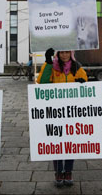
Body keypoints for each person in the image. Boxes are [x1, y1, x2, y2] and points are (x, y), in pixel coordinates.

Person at [37, 48, 88, 187]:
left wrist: (82, 83)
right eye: (61, 52)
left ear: (71, 54)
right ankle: (59, 172)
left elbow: (85, 83)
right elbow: (42, 83)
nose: (64, 55)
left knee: (70, 143)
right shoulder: (53, 67)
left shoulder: (77, 67)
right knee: (57, 143)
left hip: (72, 112)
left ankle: (69, 171)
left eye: (67, 52)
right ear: (57, 54)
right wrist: (47, 63)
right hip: (56, 111)